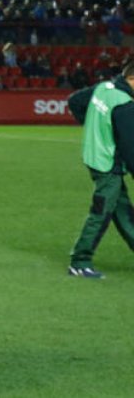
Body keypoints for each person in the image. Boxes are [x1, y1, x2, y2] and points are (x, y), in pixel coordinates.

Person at [66, 61, 134, 278]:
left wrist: (93, 127)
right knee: (102, 211)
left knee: (122, 211)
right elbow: (129, 145)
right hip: (108, 164)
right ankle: (80, 260)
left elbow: (74, 101)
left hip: (94, 156)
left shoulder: (104, 88)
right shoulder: (124, 103)